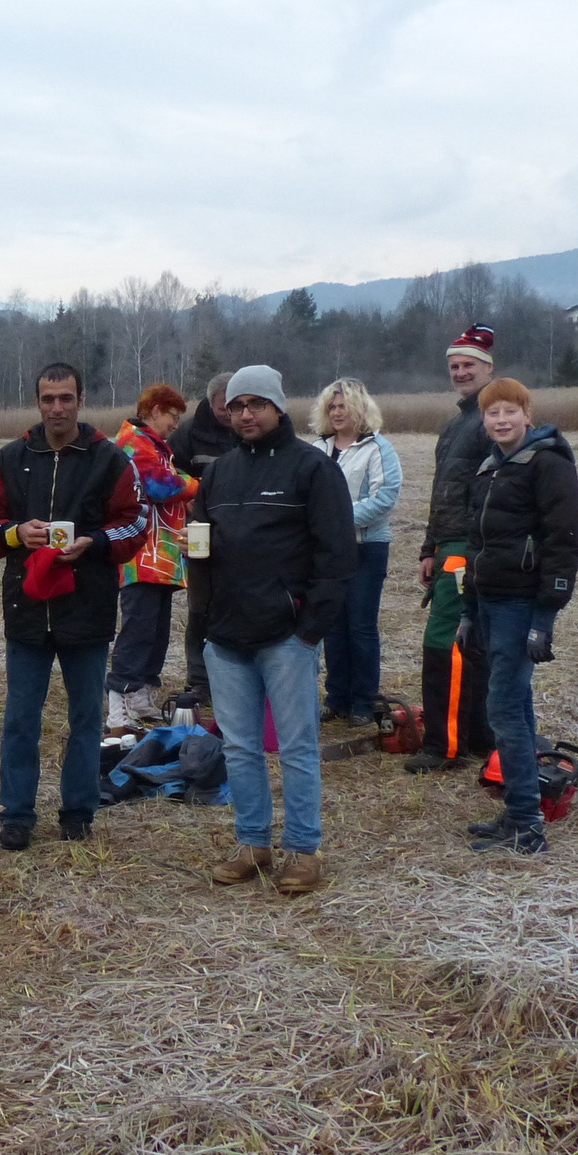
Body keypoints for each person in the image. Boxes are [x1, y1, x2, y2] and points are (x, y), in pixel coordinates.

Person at [192, 365, 355, 894]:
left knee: (297, 746)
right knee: (239, 748)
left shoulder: (311, 469)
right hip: (227, 636)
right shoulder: (218, 474)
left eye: (255, 404)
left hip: (286, 635)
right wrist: (203, 628)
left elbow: (337, 558)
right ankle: (253, 843)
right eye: (236, 406)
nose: (245, 414)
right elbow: (200, 553)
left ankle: (304, 850)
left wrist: (309, 629)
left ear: (278, 408)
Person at [0, 363, 145, 850]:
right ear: (37, 402)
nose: (57, 408)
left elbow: (136, 525)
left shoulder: (110, 460)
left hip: (87, 609)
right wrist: (14, 533)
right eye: (48, 399)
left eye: (65, 398)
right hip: (26, 611)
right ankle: (18, 815)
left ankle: (78, 811)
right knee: (20, 718)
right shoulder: (9, 459)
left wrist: (96, 542)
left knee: (86, 717)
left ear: (80, 399)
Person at [459, 378, 578, 854]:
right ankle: (520, 809)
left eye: (511, 411)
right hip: (489, 600)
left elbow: (564, 542)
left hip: (520, 604)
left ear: (528, 415)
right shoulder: (490, 468)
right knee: (517, 704)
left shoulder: (547, 464)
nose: (502, 420)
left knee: (504, 708)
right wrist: (469, 608)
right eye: (493, 414)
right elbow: (477, 544)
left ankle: (527, 822)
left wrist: (544, 615)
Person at [408, 325, 500, 773]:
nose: (461, 372)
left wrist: (466, 550)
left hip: (468, 549)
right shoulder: (455, 423)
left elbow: (490, 496)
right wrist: (430, 547)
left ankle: (443, 745)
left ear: (488, 368)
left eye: (469, 365)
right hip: (448, 546)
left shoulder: (491, 421)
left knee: (448, 644)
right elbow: (443, 492)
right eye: (455, 366)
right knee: (473, 642)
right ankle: (481, 735)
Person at [106, 383, 199, 731]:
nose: (175, 424)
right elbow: (161, 487)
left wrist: (183, 481)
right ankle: (117, 704)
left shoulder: (157, 447)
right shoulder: (133, 443)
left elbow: (170, 479)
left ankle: (141, 695)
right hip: (140, 557)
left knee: (157, 632)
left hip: (162, 557)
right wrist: (196, 486)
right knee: (137, 630)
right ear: (155, 410)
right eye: (173, 416)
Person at [309, 378, 402, 725]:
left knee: (360, 625)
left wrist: (337, 519)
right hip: (328, 552)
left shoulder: (378, 448)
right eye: (332, 406)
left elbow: (384, 497)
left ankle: (364, 700)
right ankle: (337, 697)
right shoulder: (318, 449)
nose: (336, 412)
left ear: (359, 409)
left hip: (367, 547)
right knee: (332, 625)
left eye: (343, 405)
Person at [167, 371, 241, 707]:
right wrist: (187, 493)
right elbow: (166, 471)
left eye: (234, 404)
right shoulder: (188, 433)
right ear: (210, 402)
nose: (229, 411)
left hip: (242, 535)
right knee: (200, 608)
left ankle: (237, 677)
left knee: (238, 603)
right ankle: (199, 681)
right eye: (222, 405)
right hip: (197, 532)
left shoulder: (249, 432)